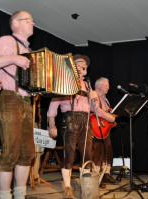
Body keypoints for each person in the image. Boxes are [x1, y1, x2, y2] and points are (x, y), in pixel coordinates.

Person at [0, 11, 35, 199]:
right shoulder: (6, 41)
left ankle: (20, 195)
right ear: (15, 23)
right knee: (11, 151)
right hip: (8, 98)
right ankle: (4, 196)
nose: (33, 23)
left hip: (26, 101)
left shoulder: (29, 48)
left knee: (27, 153)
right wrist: (14, 59)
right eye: (29, 20)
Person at [47, 54, 96, 199]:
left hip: (86, 120)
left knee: (87, 154)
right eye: (80, 63)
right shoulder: (64, 81)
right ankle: (68, 187)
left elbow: (93, 109)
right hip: (70, 118)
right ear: (73, 66)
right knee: (69, 154)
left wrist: (95, 98)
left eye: (85, 64)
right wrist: (51, 125)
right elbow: (53, 105)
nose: (84, 65)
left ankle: (85, 186)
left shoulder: (87, 85)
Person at [91, 77, 117, 187]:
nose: (108, 87)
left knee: (108, 150)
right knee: (97, 152)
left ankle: (106, 174)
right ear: (99, 86)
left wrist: (112, 116)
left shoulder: (106, 99)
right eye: (106, 85)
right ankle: (97, 177)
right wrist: (109, 117)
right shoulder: (93, 95)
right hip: (95, 128)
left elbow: (107, 114)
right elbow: (95, 110)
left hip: (104, 130)